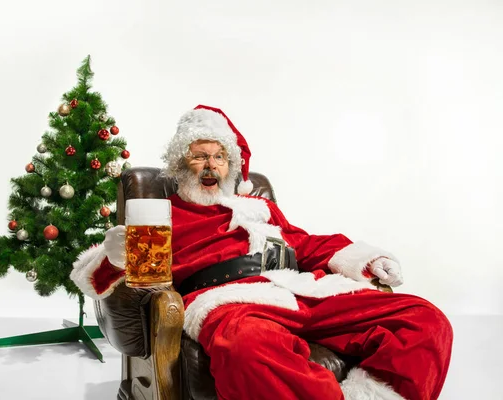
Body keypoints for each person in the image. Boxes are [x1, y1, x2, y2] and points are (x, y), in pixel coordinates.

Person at [71, 105, 453, 400]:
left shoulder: (259, 208)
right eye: (199, 156)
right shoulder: (163, 216)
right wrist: (114, 255)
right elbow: (102, 280)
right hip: (230, 303)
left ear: (230, 166)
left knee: (423, 319)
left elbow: (305, 244)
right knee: (246, 348)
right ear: (179, 164)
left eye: (219, 157)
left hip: (300, 291)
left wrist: (367, 259)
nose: (210, 166)